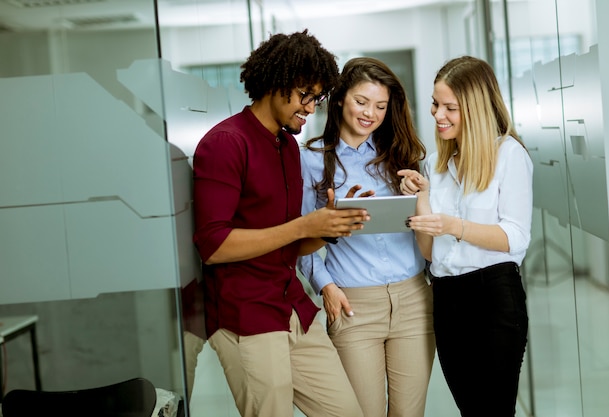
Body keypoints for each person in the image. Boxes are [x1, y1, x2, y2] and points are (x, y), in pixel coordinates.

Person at [192, 30, 370, 417]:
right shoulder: (225, 143)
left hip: (291, 306)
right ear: (275, 83)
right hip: (246, 317)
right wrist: (305, 227)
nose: (311, 107)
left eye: (317, 97)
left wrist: (330, 226)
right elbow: (213, 246)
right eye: (305, 94)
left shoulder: (287, 145)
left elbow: (288, 241)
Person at [299, 57, 435, 417]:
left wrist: (421, 195)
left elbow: (429, 229)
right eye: (362, 102)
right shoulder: (311, 161)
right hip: (353, 304)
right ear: (341, 98)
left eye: (380, 106)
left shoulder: (400, 155)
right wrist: (325, 286)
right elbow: (301, 238)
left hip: (414, 298)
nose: (370, 113)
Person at [400, 55, 533, 417]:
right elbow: (429, 253)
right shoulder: (435, 167)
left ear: (474, 109)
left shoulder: (509, 155)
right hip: (446, 300)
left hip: (494, 298)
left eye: (449, 107)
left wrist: (454, 226)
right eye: (435, 103)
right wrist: (422, 196)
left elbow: (514, 237)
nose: (437, 114)